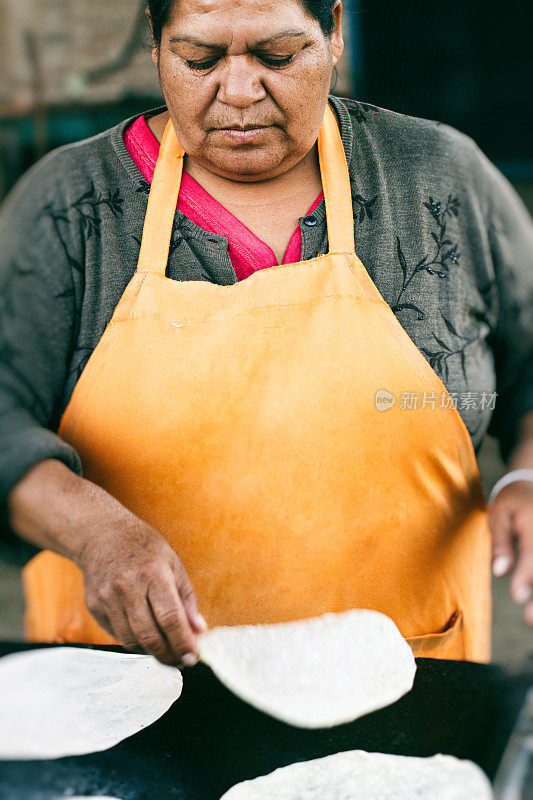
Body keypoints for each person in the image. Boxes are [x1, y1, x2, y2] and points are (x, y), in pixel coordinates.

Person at [0, 0, 532, 669]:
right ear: (155, 42)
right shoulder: (70, 205)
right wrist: (93, 531)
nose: (240, 91)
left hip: (407, 675)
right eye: (199, 59)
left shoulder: (440, 183)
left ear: (334, 31)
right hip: (132, 688)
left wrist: (523, 474)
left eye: (278, 56)